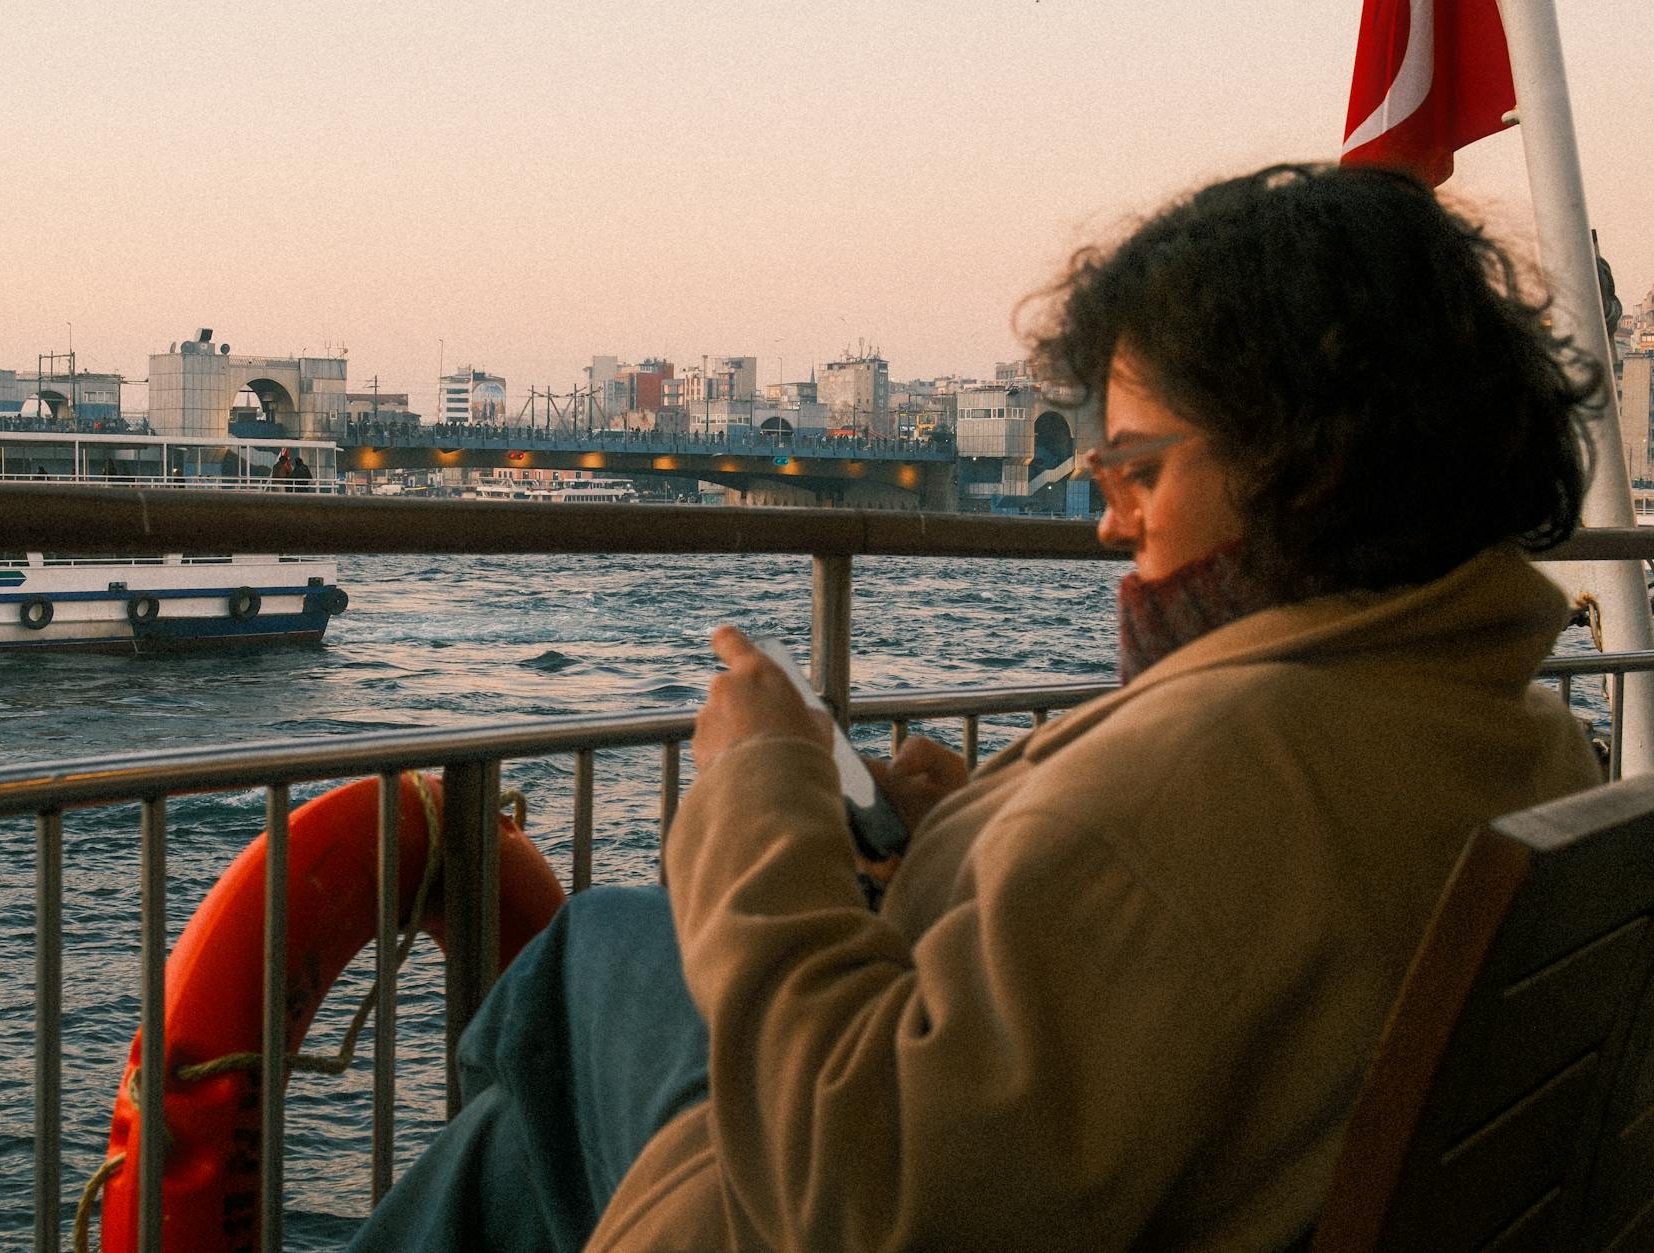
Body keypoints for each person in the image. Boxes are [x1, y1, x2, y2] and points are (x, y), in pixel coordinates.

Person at [350, 163, 1604, 1252]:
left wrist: (754, 798)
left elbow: (863, 1197)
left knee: (587, 965)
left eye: (1138, 469)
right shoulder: (1498, 722)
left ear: (1309, 461)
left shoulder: (1220, 773)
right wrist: (975, 829)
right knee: (558, 1063)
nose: (1108, 518)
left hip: (821, 1188)